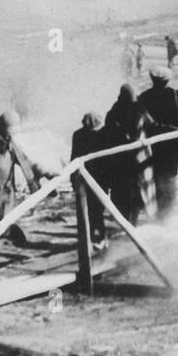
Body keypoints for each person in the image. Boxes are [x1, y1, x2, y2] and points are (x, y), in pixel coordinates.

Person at [0, 112, 54, 285]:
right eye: (12, 130)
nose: (13, 134)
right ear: (5, 128)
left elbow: (27, 162)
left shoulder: (10, 144)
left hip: (5, 197)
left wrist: (46, 172)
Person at [136, 68, 178, 217]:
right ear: (167, 80)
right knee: (169, 179)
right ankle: (167, 214)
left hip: (151, 147)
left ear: (152, 79)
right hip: (172, 145)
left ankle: (156, 212)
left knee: (154, 178)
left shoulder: (144, 98)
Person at [103, 85, 148, 223]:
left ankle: (127, 221)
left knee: (123, 191)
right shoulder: (138, 109)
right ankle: (130, 222)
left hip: (122, 159)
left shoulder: (114, 111)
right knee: (131, 190)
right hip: (132, 158)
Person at [70, 112, 110, 247]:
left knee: (95, 209)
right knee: (94, 209)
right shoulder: (100, 134)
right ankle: (95, 237)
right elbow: (74, 157)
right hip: (93, 177)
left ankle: (97, 237)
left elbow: (73, 157)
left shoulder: (79, 135)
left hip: (97, 177)